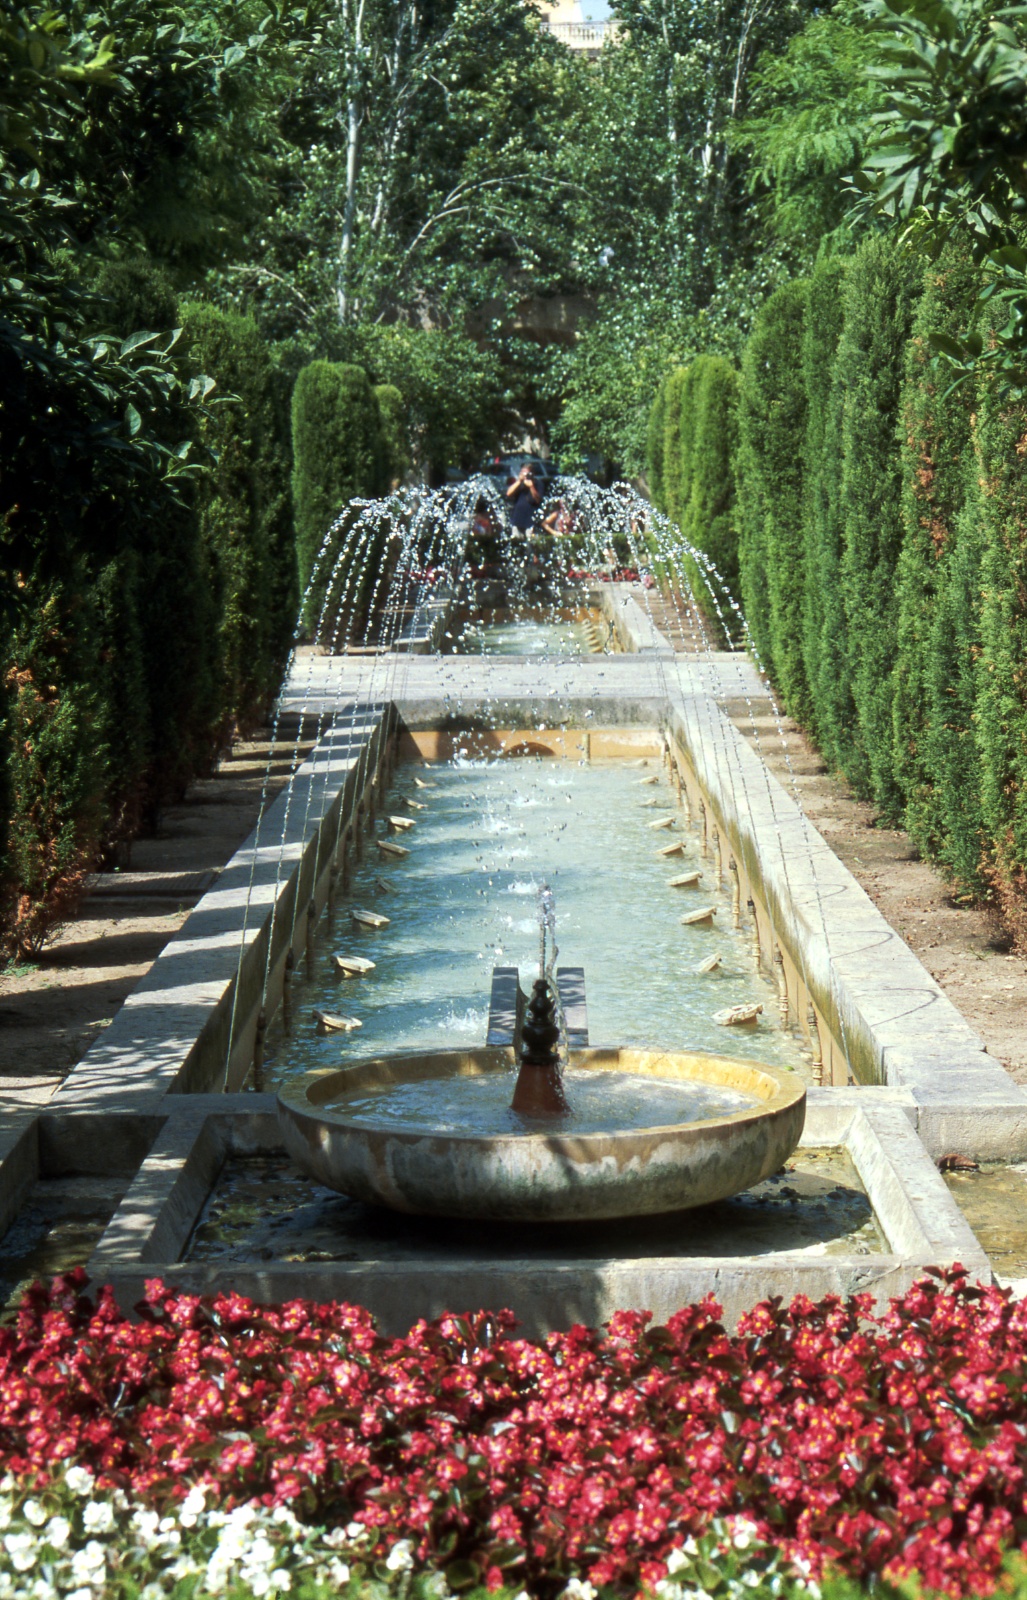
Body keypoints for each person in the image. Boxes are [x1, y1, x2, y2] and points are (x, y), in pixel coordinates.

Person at [505, 463, 541, 535]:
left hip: (530, 520)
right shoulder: (518, 484)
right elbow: (508, 494)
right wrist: (519, 481)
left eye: (526, 472)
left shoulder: (537, 483)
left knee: (530, 543)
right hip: (517, 519)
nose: (523, 475)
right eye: (522, 472)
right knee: (516, 542)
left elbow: (538, 500)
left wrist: (531, 487)